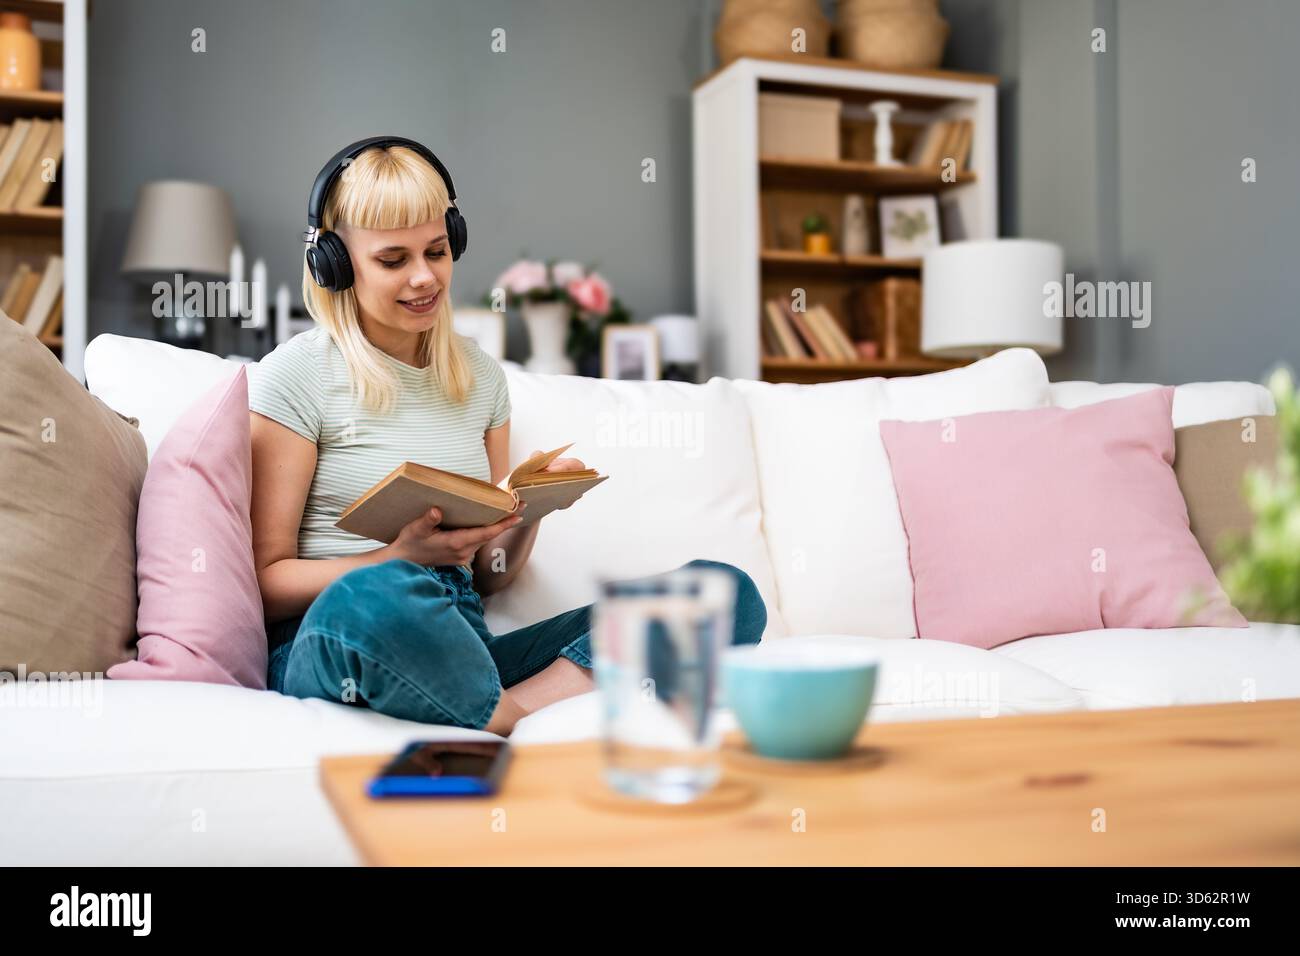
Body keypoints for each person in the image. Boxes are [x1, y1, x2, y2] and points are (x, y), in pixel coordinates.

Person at [248, 136, 766, 736]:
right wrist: (396, 558)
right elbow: (267, 581)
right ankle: (506, 710)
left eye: (437, 250)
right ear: (335, 263)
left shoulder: (480, 377)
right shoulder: (295, 374)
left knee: (725, 593)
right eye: (393, 260)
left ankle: (505, 714)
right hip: (339, 635)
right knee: (376, 596)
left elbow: (490, 577)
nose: (424, 277)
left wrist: (521, 514)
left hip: (464, 641)